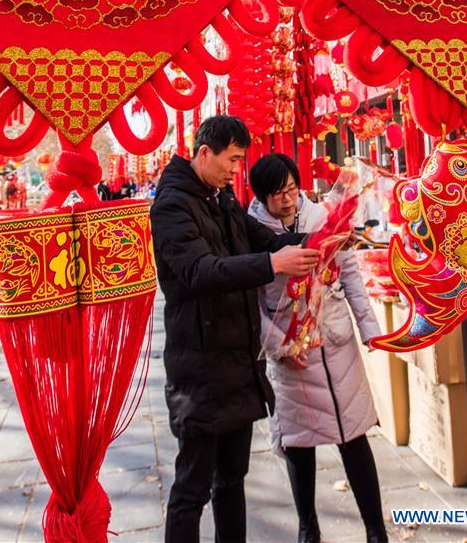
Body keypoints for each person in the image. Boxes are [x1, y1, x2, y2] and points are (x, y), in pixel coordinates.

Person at [150, 117, 321, 543]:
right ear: (204, 152)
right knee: (192, 489)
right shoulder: (172, 205)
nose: (235, 171)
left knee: (232, 480)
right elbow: (198, 271)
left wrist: (319, 240)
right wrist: (271, 266)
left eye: (240, 162)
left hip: (238, 363)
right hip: (200, 368)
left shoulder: (221, 198)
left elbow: (262, 239)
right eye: (232, 160)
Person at [248, 153, 388, 543]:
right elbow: (251, 302)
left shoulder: (323, 215)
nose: (288, 199)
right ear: (262, 197)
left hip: (336, 340)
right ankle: (308, 526)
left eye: (292, 189)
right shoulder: (250, 230)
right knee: (299, 443)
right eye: (278, 195)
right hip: (293, 351)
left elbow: (351, 275)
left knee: (354, 436)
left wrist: (369, 328)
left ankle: (376, 530)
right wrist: (278, 345)